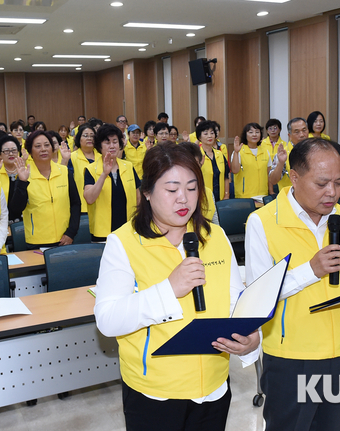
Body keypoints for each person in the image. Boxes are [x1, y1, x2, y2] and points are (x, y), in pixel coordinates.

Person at [94, 143, 259, 431]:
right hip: (155, 392)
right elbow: (108, 320)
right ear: (146, 192)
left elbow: (235, 300)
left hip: (213, 385)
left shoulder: (215, 235)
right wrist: (168, 289)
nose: (183, 198)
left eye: (192, 188)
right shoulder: (124, 243)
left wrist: (251, 340)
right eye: (171, 190)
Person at [245, 138, 340, 431]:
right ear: (294, 177)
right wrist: (310, 270)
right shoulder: (263, 222)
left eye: (338, 182)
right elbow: (257, 297)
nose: (332, 193)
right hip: (291, 358)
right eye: (322, 183)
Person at [9, 130, 81, 249]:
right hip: (37, 241)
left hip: (64, 239)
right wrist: (22, 182)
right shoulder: (24, 175)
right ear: (30, 150)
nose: (43, 149)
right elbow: (15, 209)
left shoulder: (64, 172)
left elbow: (75, 204)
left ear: (53, 148)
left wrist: (71, 233)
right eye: (37, 146)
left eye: (47, 145)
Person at [84, 124, 141, 242]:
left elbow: (138, 197)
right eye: (107, 142)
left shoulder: (128, 166)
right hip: (102, 233)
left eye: (115, 141)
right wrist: (104, 174)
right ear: (99, 146)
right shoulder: (91, 169)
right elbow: (89, 198)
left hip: (128, 231)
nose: (112, 146)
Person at [180, 142, 219, 224]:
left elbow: (215, 223)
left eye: (194, 164)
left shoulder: (208, 193)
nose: (190, 170)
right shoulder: (174, 196)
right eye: (185, 165)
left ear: (202, 161)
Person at [231, 122, 271, 198]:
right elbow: (235, 171)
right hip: (245, 196)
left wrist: (270, 192)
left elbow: (268, 174)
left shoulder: (265, 151)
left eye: (257, 132)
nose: (254, 134)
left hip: (263, 195)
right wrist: (236, 152)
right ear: (245, 135)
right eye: (251, 132)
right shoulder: (239, 151)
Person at [268, 117, 309, 192]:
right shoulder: (283, 153)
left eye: (304, 130)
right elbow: (273, 180)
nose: (302, 135)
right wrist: (281, 163)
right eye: (297, 132)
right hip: (289, 198)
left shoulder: (314, 151)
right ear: (289, 135)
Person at [197, 120, 230, 202]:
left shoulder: (220, 154)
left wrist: (226, 195)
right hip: (203, 200)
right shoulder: (197, 155)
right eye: (205, 133)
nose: (210, 136)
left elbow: (226, 176)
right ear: (199, 137)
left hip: (221, 199)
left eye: (212, 133)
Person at [70, 124, 100, 213]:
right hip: (81, 208)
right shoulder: (72, 158)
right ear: (79, 138)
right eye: (85, 135)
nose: (89, 138)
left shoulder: (103, 157)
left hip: (102, 206)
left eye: (92, 136)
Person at [0, 135, 22, 207]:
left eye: (14, 150)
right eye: (6, 151)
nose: (11, 154)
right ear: (0, 154)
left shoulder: (25, 170)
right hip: (0, 214)